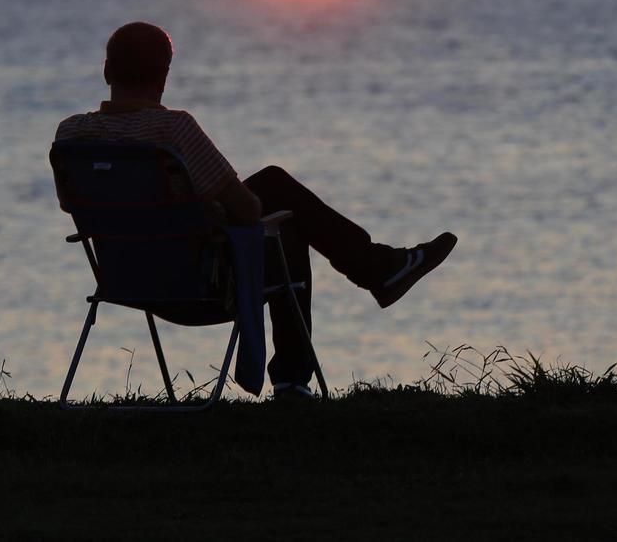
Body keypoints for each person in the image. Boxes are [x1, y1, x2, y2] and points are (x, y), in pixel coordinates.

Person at [54, 21, 458, 399]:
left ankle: (378, 271)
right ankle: (303, 367)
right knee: (279, 205)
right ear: (164, 76)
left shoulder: (71, 136)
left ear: (107, 71)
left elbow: (73, 205)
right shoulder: (173, 131)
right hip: (199, 286)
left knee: (274, 202)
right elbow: (247, 212)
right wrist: (208, 210)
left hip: (126, 280)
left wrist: (192, 211)